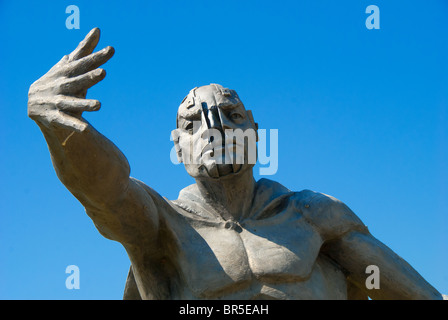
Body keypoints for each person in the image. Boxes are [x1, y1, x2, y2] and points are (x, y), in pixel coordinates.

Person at [28, 28, 443, 300]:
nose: (215, 129)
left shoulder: (312, 214)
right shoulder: (163, 224)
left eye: (234, 116)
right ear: (179, 146)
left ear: (256, 133)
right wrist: (62, 126)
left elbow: (415, 295)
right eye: (193, 123)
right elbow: (106, 192)